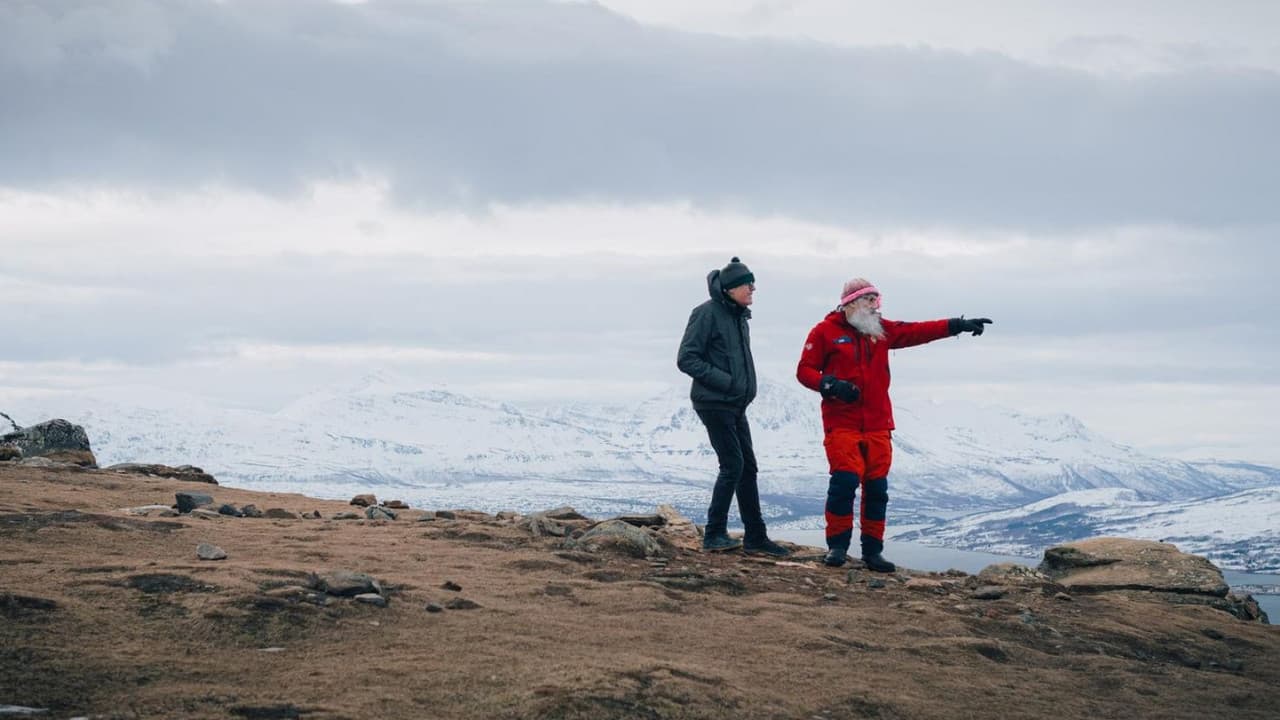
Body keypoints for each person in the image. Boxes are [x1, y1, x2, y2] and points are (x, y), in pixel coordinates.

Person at [796, 278, 991, 571]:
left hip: (877, 424)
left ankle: (873, 552)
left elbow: (918, 331)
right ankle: (837, 548)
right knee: (844, 483)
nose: (877, 306)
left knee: (877, 489)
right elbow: (804, 370)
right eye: (870, 300)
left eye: (878, 300)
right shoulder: (824, 331)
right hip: (842, 423)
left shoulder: (881, 331)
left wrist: (957, 325)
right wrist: (831, 384)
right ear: (851, 304)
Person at [677, 257, 790, 557]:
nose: (753, 288)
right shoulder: (706, 313)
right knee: (733, 465)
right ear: (729, 288)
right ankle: (714, 534)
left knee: (747, 467)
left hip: (735, 405)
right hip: (713, 402)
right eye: (747, 284)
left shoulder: (739, 316)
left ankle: (755, 536)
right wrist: (727, 382)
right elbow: (686, 358)